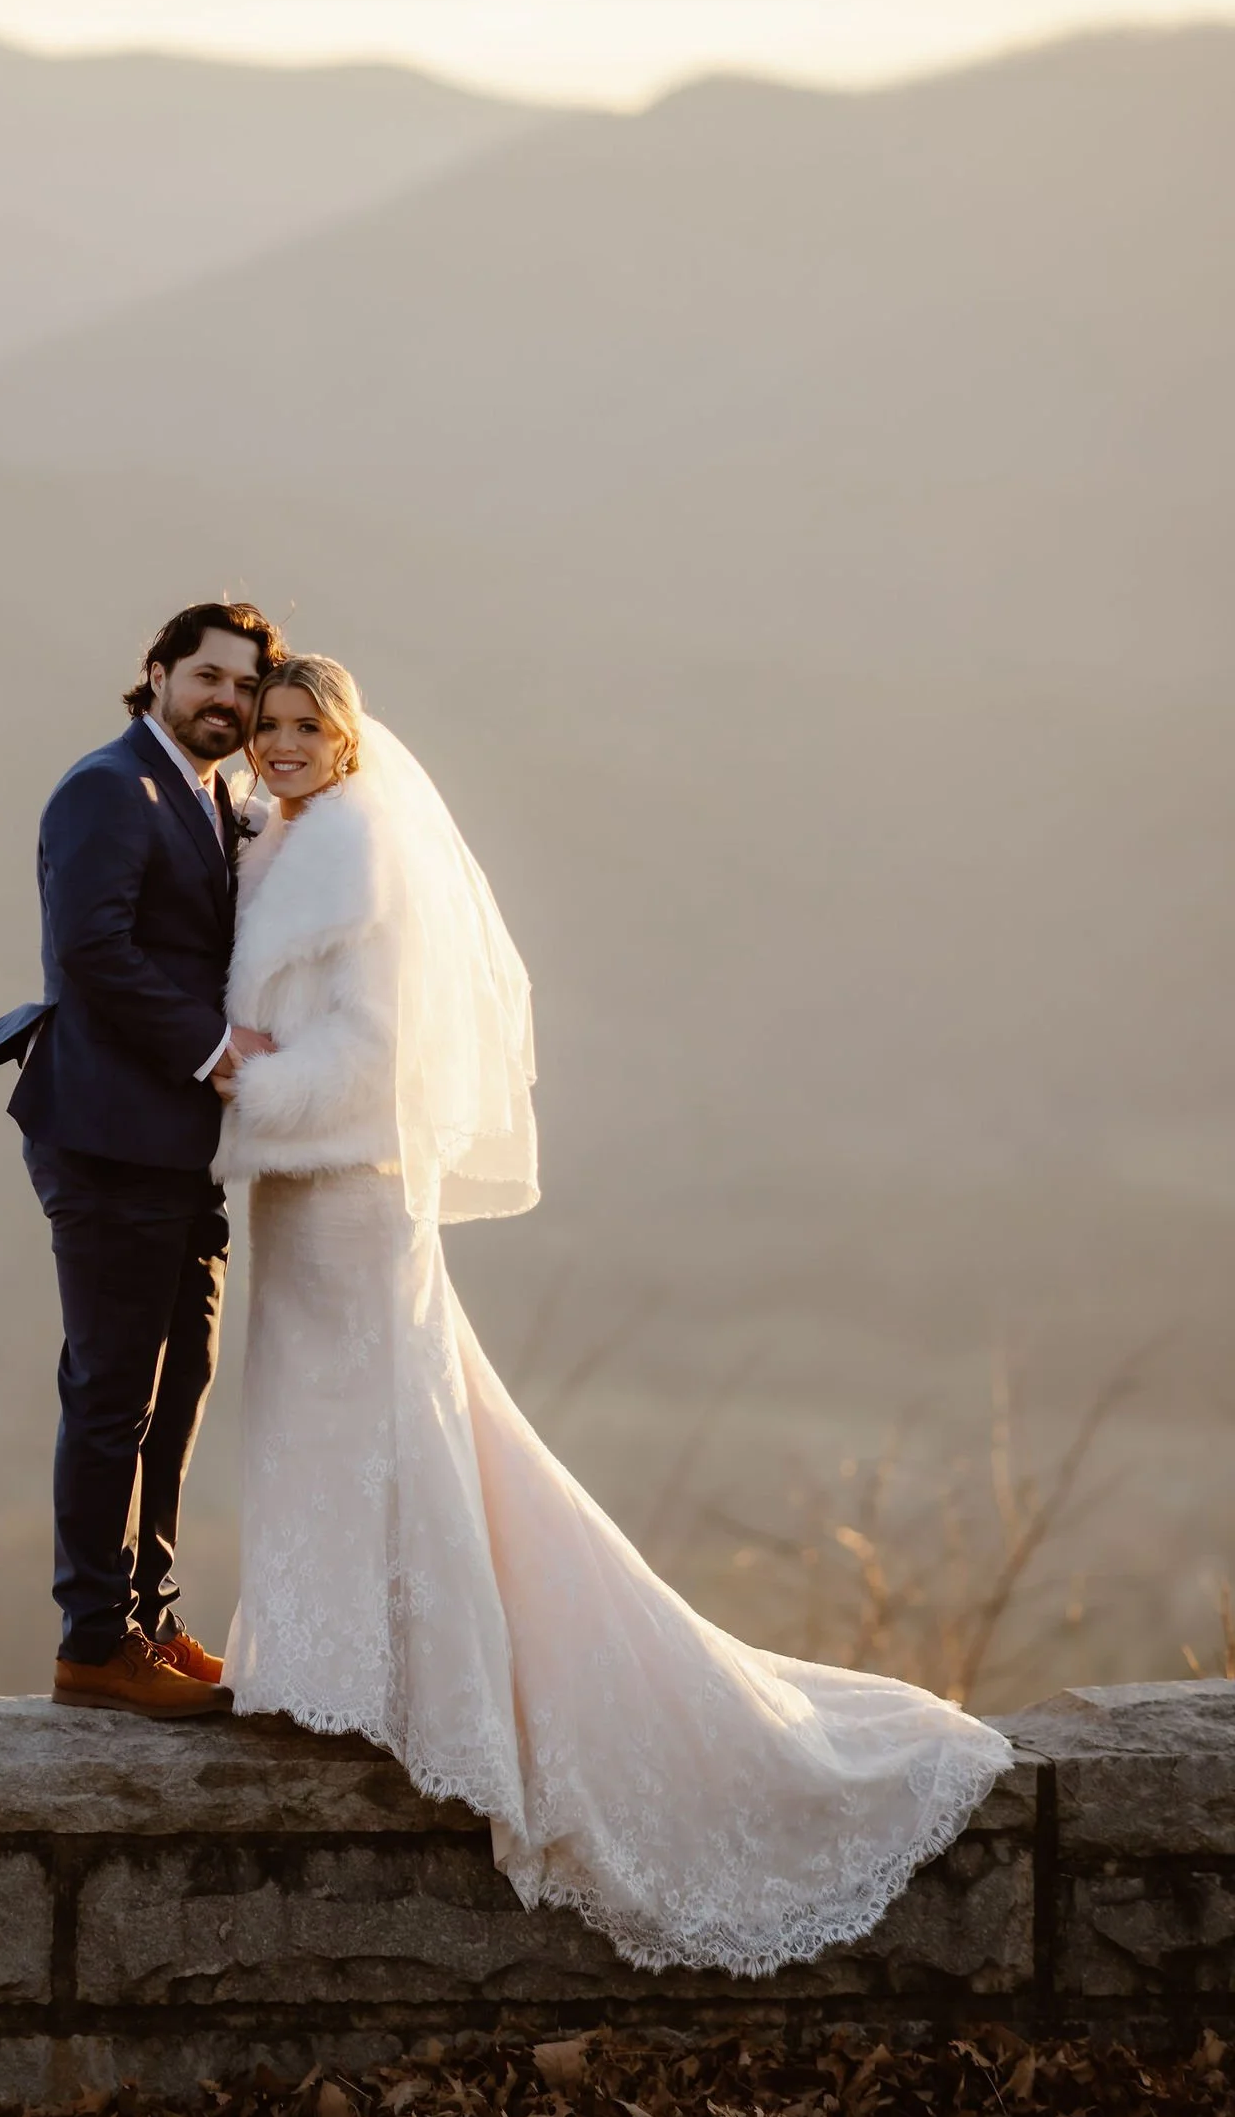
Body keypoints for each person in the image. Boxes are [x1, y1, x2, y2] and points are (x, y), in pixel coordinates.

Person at [213, 651, 1013, 1975]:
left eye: (306, 724)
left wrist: (257, 1079)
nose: (283, 742)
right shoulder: (273, 837)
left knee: (379, 1418)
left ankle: (418, 1683)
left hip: (349, 1184)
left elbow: (379, 1046)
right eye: (268, 723)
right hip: (296, 1194)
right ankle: (331, 1662)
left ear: (346, 739)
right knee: (319, 1418)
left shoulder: (357, 850)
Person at [0, 601, 287, 1719]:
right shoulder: (106, 786)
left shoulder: (216, 797)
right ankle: (92, 1643)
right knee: (111, 1392)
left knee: (178, 1386)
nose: (227, 699)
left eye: (245, 685)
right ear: (159, 671)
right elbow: (92, 949)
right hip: (105, 1135)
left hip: (183, 1147)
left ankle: (151, 1617)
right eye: (209, 676)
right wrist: (215, 1049)